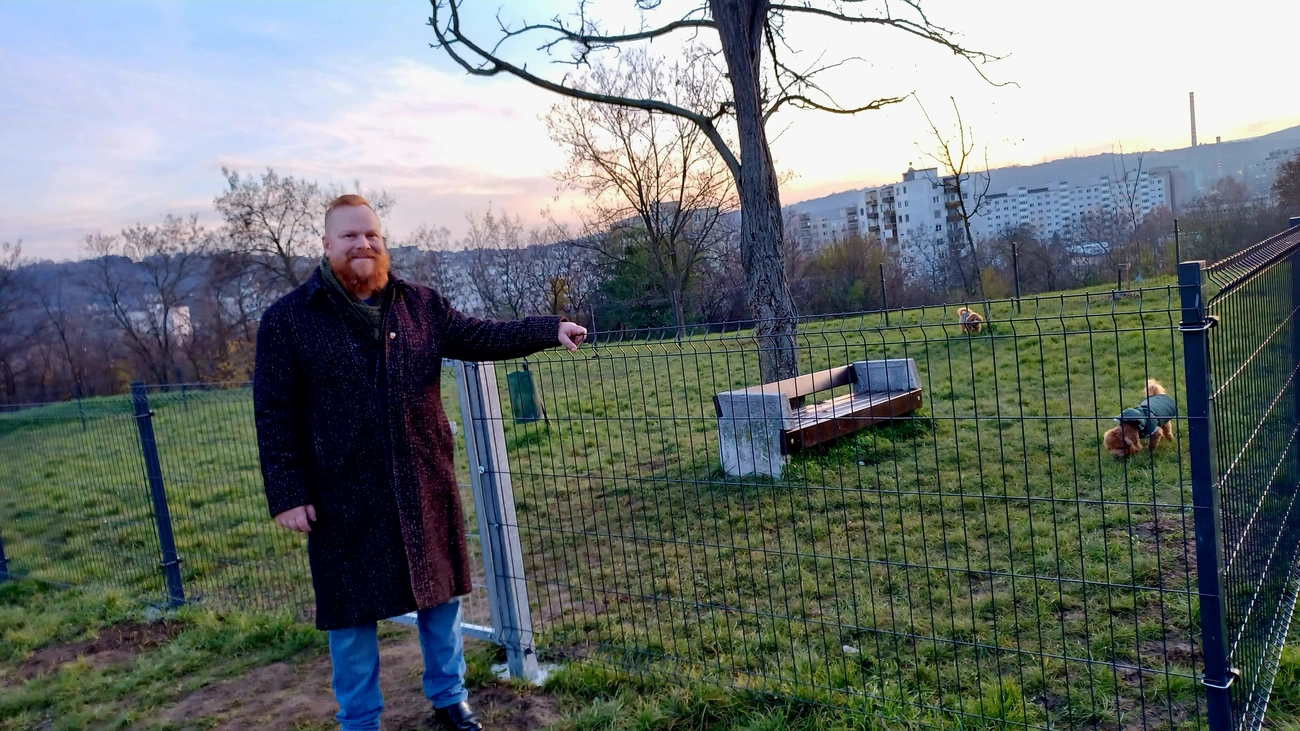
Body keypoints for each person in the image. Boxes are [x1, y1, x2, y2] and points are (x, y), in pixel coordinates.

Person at [253, 194, 586, 731]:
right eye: (349, 235)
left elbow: (479, 335)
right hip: (341, 493)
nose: (363, 244)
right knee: (351, 615)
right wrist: (288, 493)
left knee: (439, 595)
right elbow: (274, 413)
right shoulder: (288, 320)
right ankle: (360, 721)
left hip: (421, 481)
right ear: (326, 244)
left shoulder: (418, 305)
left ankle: (450, 701)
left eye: (371, 234)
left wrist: (548, 330)